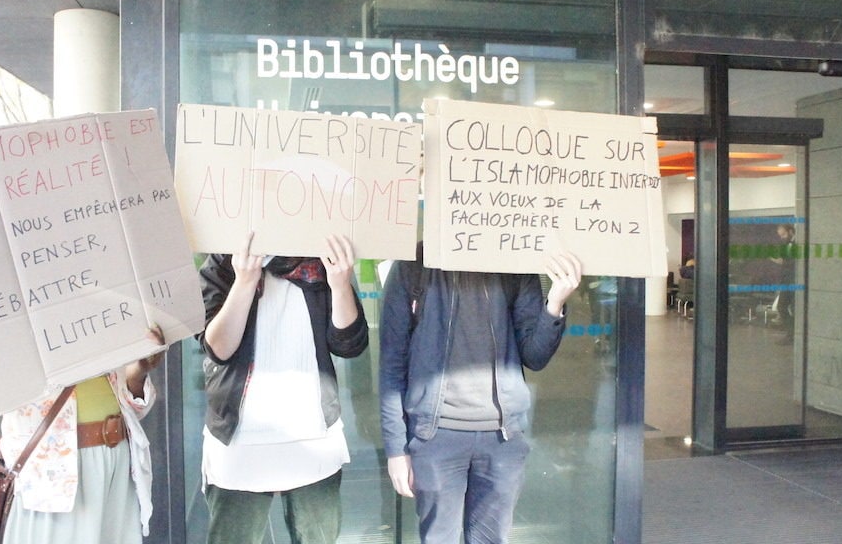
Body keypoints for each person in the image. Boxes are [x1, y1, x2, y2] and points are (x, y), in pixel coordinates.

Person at [379, 243, 581, 544]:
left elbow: (535, 356)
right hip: (435, 435)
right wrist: (396, 447)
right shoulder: (415, 264)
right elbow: (392, 361)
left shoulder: (514, 261)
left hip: (502, 439)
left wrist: (555, 303)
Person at [198, 231, 369, 544]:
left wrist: (340, 283)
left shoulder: (322, 257)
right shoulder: (225, 261)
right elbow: (218, 348)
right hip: (239, 442)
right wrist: (245, 281)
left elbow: (349, 344)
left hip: (313, 437)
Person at [0, 327, 166, 544]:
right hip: (48, 476)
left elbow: (135, 408)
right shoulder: (4, 313)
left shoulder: (100, 305)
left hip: (116, 466)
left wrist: (137, 372)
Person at [770, 223, 796, 344]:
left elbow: (793, 263)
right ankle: (792, 334)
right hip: (787, 280)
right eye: (780, 235)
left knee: (791, 308)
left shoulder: (797, 243)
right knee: (782, 307)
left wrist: (781, 261)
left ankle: (793, 334)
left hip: (793, 281)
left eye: (784, 234)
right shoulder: (786, 244)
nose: (782, 237)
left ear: (791, 231)